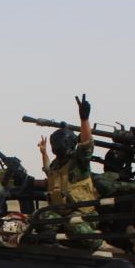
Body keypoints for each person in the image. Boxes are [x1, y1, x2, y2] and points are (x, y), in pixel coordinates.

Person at [34, 94, 103, 251]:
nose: (56, 146)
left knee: (74, 224)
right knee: (41, 217)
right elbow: (48, 171)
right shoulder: (56, 165)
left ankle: (100, 246)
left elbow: (86, 144)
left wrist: (84, 119)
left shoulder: (78, 162)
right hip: (62, 212)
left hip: (84, 213)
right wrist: (43, 153)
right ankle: (54, 247)